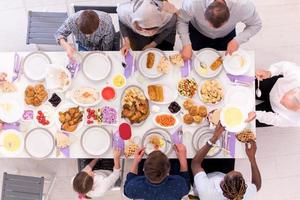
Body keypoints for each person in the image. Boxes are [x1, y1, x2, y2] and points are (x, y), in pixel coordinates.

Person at [191, 123, 261, 200]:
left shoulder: (207, 192)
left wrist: (214, 138)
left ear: (222, 183)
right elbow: (257, 185)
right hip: (218, 173)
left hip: (204, 178)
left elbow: (195, 164)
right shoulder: (241, 194)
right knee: (228, 154)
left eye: (227, 175)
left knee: (191, 154)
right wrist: (252, 159)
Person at [176, 0, 262, 60]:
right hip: (197, 31)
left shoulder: (243, 6)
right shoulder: (193, 2)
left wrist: (237, 40)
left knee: (225, 62)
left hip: (226, 35)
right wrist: (186, 44)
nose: (212, 29)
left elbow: (256, 24)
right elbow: (182, 20)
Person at [124, 144, 190, 200]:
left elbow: (126, 191)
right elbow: (186, 185)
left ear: (143, 169)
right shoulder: (179, 184)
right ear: (168, 172)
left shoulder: (133, 187)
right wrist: (183, 158)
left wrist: (135, 161)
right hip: (171, 190)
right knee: (176, 163)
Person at [251, 61, 300, 127]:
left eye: (284, 104)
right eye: (284, 96)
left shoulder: (296, 120)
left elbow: (275, 120)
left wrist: (257, 115)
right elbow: (284, 66)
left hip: (274, 111)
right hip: (273, 86)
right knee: (247, 83)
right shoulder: (297, 75)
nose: (279, 100)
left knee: (246, 121)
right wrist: (269, 72)